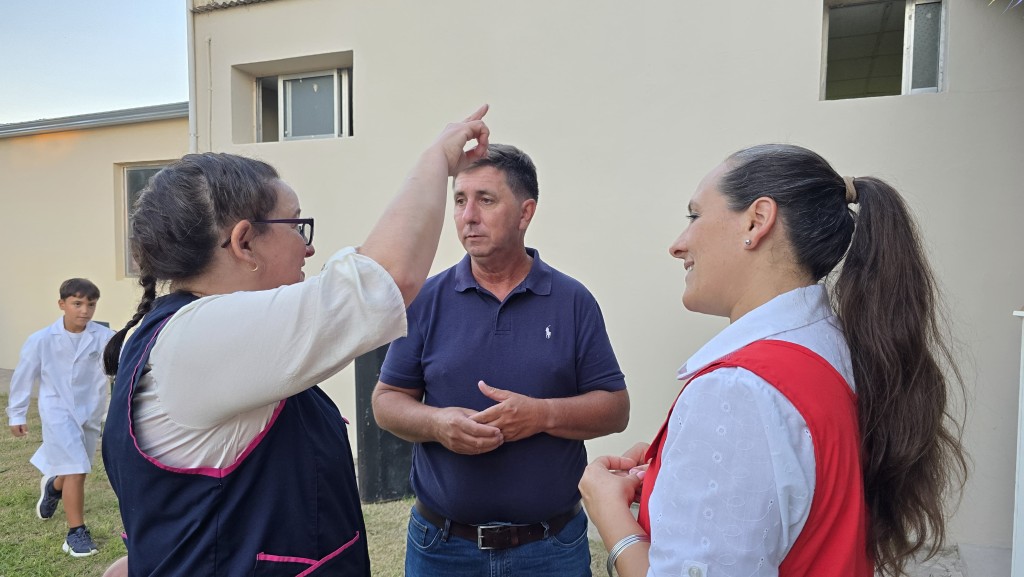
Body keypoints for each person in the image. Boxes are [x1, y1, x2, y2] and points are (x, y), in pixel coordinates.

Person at [99, 106, 491, 576]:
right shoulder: (202, 340)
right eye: (296, 225)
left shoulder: (188, 338)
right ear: (244, 243)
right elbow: (385, 281)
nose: (308, 247)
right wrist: (436, 159)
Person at [580, 144, 968, 577]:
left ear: (757, 221)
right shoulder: (830, 347)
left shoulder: (737, 389)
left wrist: (611, 517)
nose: (678, 244)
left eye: (694, 216)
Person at [372, 143, 631, 576]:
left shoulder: (571, 301)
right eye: (459, 200)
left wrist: (541, 415)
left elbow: (615, 409)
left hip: (550, 547)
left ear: (525, 213)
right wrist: (437, 424)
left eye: (485, 200)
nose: (467, 215)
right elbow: (386, 401)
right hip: (442, 548)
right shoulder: (426, 300)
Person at [6, 278, 115, 558]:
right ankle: (75, 533)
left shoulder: (104, 338)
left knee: (74, 468)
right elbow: (23, 377)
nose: (85, 310)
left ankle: (53, 486)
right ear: (62, 304)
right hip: (57, 412)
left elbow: (122, 365)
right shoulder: (42, 340)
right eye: (77, 303)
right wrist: (17, 413)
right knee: (78, 470)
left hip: (90, 413)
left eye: (91, 304)